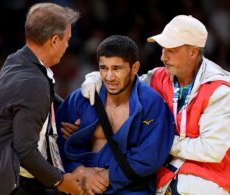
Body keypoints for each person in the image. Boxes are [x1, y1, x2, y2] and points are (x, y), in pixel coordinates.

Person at [81, 15, 230, 194]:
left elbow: (211, 149)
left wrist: (157, 140)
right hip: (162, 180)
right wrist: (95, 78)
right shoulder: (158, 77)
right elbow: (125, 83)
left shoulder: (221, 90)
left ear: (193, 51)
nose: (163, 57)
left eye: (171, 50)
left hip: (207, 183)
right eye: (163, 49)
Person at [0, 3, 82, 195]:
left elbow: (45, 94)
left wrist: (71, 113)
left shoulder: (19, 59)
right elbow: (26, 150)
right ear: (54, 40)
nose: (67, 46)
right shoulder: (34, 83)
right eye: (67, 40)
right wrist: (61, 181)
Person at [56, 35, 174, 194]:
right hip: (81, 185)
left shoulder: (152, 103)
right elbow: (55, 142)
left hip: (129, 189)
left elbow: (151, 155)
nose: (109, 77)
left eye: (116, 68)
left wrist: (108, 175)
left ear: (134, 68)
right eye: (104, 68)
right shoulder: (82, 97)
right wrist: (80, 171)